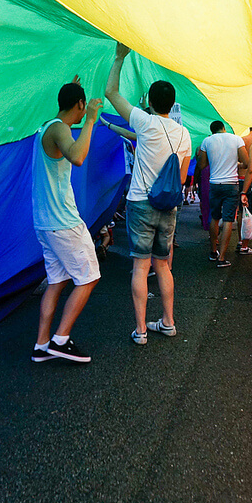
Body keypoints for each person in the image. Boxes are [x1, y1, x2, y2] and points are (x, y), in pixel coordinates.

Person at [105, 42, 192, 345]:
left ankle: (141, 330)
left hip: (141, 203)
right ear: (172, 103)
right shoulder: (183, 133)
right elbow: (181, 177)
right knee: (163, 265)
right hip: (168, 206)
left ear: (151, 103)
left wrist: (119, 58)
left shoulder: (144, 122)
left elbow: (111, 93)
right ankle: (168, 322)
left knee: (140, 267)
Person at [30, 76, 104, 363]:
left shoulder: (48, 126)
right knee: (89, 277)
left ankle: (41, 344)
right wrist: (90, 120)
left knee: (57, 281)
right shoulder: (60, 129)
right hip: (63, 222)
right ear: (80, 104)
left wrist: (75, 93)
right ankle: (61, 340)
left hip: (46, 222)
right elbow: (77, 157)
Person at [196, 121, 247, 268]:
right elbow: (246, 161)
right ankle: (222, 257)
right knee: (228, 220)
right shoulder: (236, 139)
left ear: (212, 131)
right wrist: (236, 164)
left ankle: (213, 251)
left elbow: (202, 165)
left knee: (214, 217)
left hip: (215, 184)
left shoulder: (207, 141)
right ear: (223, 128)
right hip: (231, 184)